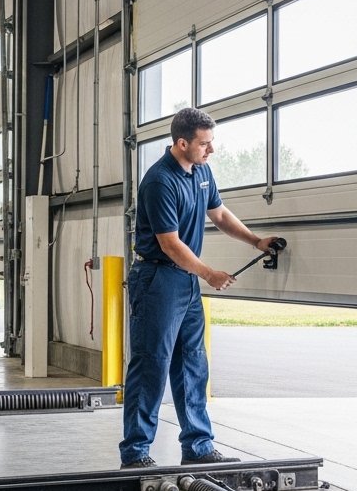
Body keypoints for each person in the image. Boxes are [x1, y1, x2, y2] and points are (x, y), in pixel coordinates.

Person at [119, 107, 283, 469]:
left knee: (192, 364)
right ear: (181, 143)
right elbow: (169, 244)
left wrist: (256, 241)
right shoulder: (160, 181)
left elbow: (220, 215)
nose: (211, 151)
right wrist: (210, 273)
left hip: (185, 280)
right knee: (152, 365)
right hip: (158, 279)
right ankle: (135, 453)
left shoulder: (202, 172)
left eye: (212, 143)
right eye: (204, 144)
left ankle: (197, 445)